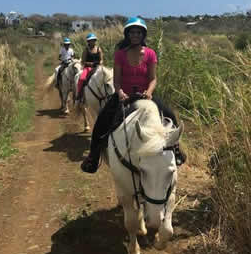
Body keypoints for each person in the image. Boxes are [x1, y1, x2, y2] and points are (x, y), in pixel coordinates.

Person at [80, 17, 186, 174]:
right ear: (127, 34)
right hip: (124, 96)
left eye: (138, 32)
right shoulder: (120, 54)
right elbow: (116, 81)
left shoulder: (150, 54)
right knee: (101, 123)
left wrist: (149, 92)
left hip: (145, 96)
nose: (135, 35)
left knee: (170, 116)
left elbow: (153, 78)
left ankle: (176, 151)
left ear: (143, 34)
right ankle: (93, 158)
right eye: (132, 32)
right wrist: (120, 92)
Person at [76, 33, 104, 101]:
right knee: (82, 79)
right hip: (88, 68)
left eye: (93, 40)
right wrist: (91, 64)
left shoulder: (98, 49)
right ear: (88, 41)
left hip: (98, 67)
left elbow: (102, 59)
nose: (92, 42)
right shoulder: (86, 50)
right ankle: (79, 94)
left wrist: (100, 63)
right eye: (90, 40)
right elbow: (83, 61)